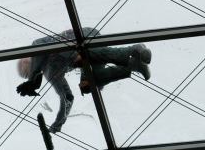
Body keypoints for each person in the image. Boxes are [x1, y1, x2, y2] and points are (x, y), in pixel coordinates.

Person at [15, 28, 152, 134]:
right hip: (82, 57)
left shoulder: (37, 46)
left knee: (92, 54)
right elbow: (67, 97)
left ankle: (135, 49)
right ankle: (134, 65)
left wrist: (75, 55)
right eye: (28, 72)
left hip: (83, 37)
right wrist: (58, 124)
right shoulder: (51, 74)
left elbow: (52, 45)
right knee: (92, 83)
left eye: (28, 65)